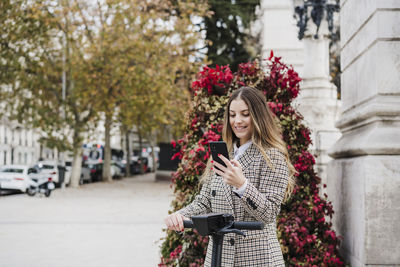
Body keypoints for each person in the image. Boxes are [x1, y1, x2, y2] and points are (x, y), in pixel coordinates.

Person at [165, 86, 295, 267]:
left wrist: (242, 185)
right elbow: (204, 202)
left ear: (258, 116)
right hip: (219, 257)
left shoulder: (272, 156)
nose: (237, 121)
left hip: (258, 259)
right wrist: (180, 215)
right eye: (232, 115)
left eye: (245, 114)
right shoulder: (222, 154)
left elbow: (269, 213)